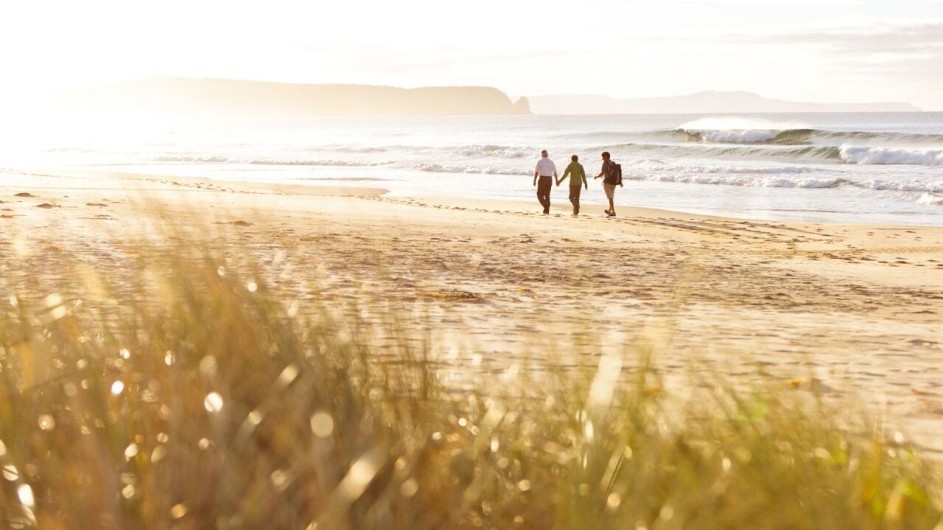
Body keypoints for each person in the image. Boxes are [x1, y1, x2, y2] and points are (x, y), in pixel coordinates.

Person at [593, 151, 622, 217]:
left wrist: (597, 176)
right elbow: (618, 172)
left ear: (605, 156)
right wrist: (620, 181)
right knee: (611, 197)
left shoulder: (605, 163)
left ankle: (613, 212)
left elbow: (603, 173)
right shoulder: (613, 163)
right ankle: (609, 211)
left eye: (602, 157)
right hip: (614, 183)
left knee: (610, 198)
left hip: (607, 183)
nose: (602, 158)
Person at [533, 150, 557, 214]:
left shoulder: (540, 162)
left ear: (542, 155)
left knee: (539, 194)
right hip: (549, 179)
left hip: (543, 178)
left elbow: (537, 172)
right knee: (547, 194)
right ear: (547, 154)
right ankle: (547, 209)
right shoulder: (551, 162)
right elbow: (555, 172)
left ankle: (545, 206)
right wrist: (557, 180)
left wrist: (534, 180)